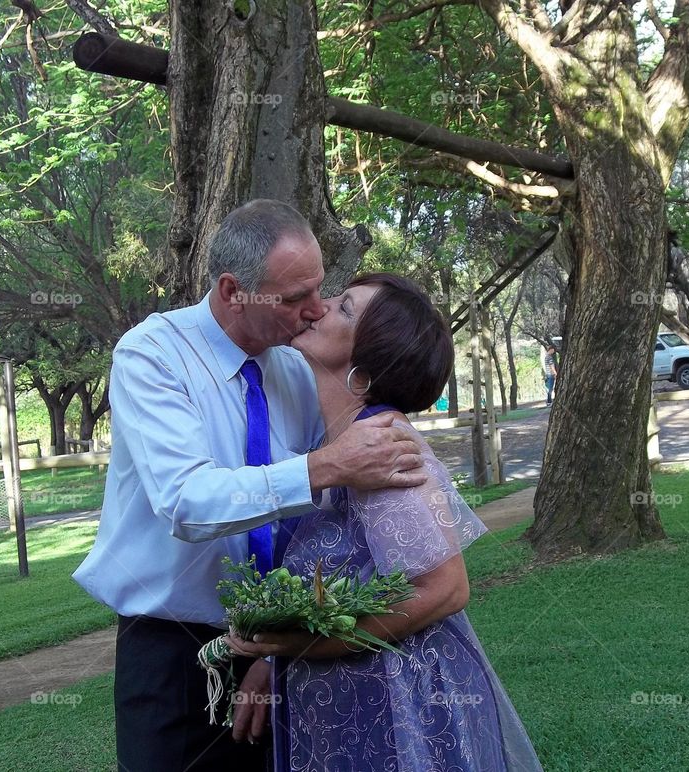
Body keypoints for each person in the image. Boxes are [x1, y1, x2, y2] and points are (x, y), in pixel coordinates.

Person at [73, 202, 427, 772]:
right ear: (235, 290)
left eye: (319, 290)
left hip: (276, 645)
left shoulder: (291, 369)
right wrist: (322, 466)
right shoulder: (152, 355)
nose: (313, 312)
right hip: (173, 651)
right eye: (293, 299)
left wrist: (275, 647)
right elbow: (186, 502)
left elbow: (307, 528)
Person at [227, 273, 544, 772]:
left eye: (345, 309)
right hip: (353, 695)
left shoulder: (385, 443)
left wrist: (308, 645)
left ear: (364, 369)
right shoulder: (344, 442)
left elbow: (445, 588)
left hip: (400, 704)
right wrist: (275, 660)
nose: (320, 307)